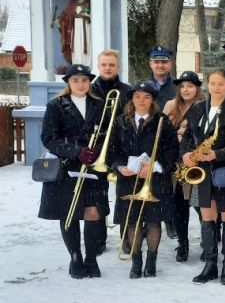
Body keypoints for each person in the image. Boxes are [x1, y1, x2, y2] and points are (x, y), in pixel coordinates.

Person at [181, 69, 225, 285]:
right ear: (207, 85)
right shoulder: (197, 108)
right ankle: (210, 264)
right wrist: (185, 154)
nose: (216, 87)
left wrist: (217, 154)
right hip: (201, 172)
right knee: (207, 217)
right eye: (212, 83)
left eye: (221, 84)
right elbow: (186, 138)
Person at [39, 64, 109, 278]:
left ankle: (91, 258)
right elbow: (49, 138)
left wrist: (97, 150)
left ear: (90, 83)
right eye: (75, 80)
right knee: (68, 213)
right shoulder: (56, 106)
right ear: (68, 83)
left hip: (94, 166)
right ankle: (75, 256)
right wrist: (76, 151)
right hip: (66, 167)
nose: (80, 84)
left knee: (93, 212)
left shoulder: (100, 105)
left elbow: (109, 134)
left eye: (84, 80)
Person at [110, 80, 179, 278]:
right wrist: (119, 167)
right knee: (133, 221)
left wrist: (155, 166)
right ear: (132, 98)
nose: (141, 100)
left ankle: (151, 260)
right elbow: (113, 151)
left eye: (147, 97)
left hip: (156, 179)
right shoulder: (121, 122)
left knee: (153, 221)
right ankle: (136, 260)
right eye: (137, 96)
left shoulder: (163, 122)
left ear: (153, 100)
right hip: (128, 179)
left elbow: (172, 150)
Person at [90, 49, 132, 254]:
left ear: (118, 67)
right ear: (98, 66)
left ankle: (126, 237)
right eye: (104, 64)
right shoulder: (88, 90)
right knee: (97, 194)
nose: (107, 68)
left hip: (121, 149)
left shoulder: (127, 91)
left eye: (112, 65)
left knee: (125, 194)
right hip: (97, 149)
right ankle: (98, 239)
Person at [163, 70, 205, 262]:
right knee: (180, 207)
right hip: (178, 165)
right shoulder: (171, 106)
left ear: (197, 88)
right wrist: (176, 134)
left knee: (202, 206)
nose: (186, 89)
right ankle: (183, 244)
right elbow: (160, 134)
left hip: (200, 163)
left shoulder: (206, 105)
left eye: (190, 85)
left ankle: (209, 241)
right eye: (182, 86)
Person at [54, 0, 91, 65]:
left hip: (85, 26)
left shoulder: (89, 1)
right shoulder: (72, 1)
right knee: (76, 45)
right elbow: (66, 12)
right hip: (74, 26)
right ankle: (76, 63)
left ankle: (86, 63)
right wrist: (59, 19)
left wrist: (88, 15)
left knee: (85, 45)